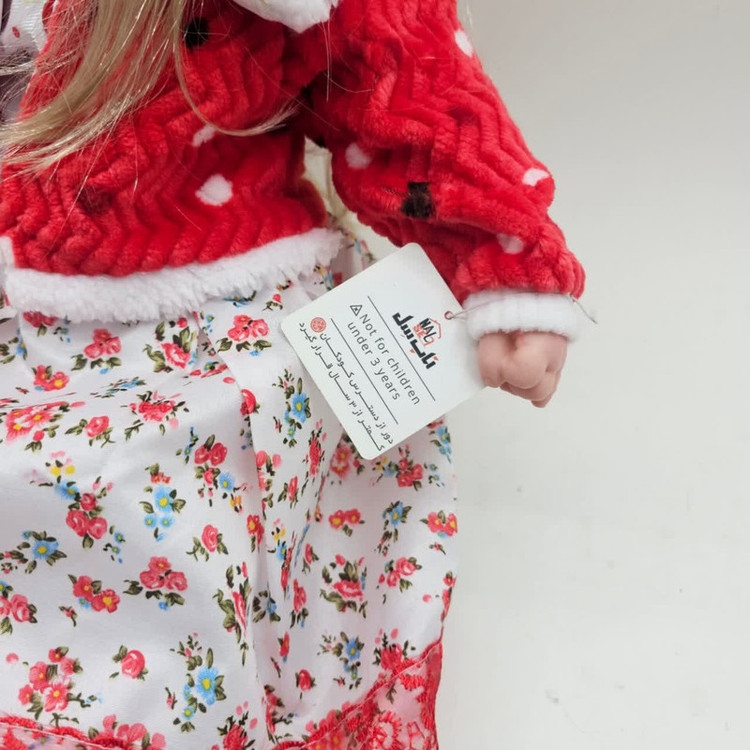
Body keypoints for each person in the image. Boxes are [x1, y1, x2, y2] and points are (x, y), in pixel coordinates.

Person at [0, 0, 585, 747]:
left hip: (205, 311)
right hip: (30, 320)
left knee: (177, 540)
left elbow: (394, 56)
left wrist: (500, 252)